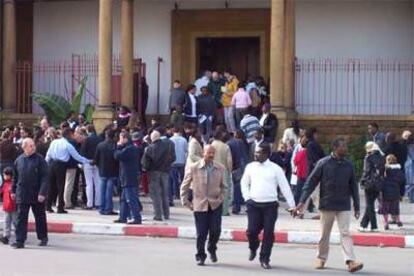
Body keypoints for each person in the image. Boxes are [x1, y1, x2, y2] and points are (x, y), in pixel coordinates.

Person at [294, 138, 363, 273]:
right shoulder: (323, 163)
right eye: (343, 146)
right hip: (327, 204)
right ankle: (321, 258)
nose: (346, 149)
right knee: (325, 234)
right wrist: (302, 201)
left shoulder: (348, 165)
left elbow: (353, 186)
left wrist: (357, 205)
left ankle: (350, 261)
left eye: (346, 146)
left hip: (344, 204)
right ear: (335, 148)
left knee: (345, 233)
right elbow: (311, 182)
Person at [241, 142, 295, 270]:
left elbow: (285, 187)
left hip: (270, 206)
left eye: (259, 152)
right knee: (251, 232)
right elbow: (244, 183)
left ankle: (264, 258)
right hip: (253, 204)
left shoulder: (275, 169)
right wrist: (247, 198)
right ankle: (253, 247)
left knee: (268, 233)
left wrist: (292, 206)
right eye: (255, 152)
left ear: (266, 154)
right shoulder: (250, 167)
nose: (256, 154)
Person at [180, 145, 227, 266]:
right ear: (203, 153)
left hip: (215, 204)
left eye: (213, 153)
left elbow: (224, 187)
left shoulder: (220, 168)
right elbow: (185, 185)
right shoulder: (194, 168)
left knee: (215, 230)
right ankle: (200, 256)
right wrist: (186, 202)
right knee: (201, 233)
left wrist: (220, 199)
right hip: (200, 204)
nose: (211, 155)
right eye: (208, 153)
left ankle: (212, 248)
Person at [11, 138, 49, 249]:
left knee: (40, 216)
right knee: (21, 218)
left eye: (33, 145)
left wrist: (42, 192)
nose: (33, 147)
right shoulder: (19, 160)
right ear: (24, 147)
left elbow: (45, 177)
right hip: (22, 193)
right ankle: (20, 240)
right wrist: (13, 191)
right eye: (30, 146)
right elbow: (15, 178)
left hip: (37, 193)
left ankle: (43, 237)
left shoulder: (40, 159)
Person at [45, 128, 91, 213]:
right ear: (69, 135)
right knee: (61, 186)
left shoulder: (54, 142)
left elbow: (48, 155)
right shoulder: (67, 145)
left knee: (51, 185)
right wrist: (88, 161)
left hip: (52, 164)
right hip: (61, 165)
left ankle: (48, 206)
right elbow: (77, 157)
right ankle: (60, 207)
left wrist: (45, 165)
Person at [142, 130, 176, 221]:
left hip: (153, 173)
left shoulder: (149, 148)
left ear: (152, 139)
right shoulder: (168, 146)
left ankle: (158, 215)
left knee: (156, 194)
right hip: (165, 172)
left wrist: (146, 169)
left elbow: (145, 163)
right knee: (165, 193)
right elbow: (173, 158)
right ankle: (166, 214)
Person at [113, 131, 142, 224]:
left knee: (131, 198)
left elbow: (117, 156)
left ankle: (136, 217)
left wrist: (118, 146)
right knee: (124, 199)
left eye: (121, 138)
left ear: (125, 139)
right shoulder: (130, 148)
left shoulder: (129, 149)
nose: (119, 140)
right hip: (127, 177)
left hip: (128, 177)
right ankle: (123, 216)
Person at [358, 142, 385, 232]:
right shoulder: (382, 157)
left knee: (369, 205)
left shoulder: (368, 157)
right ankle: (364, 225)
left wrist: (362, 181)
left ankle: (374, 226)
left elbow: (366, 171)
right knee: (370, 205)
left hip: (369, 184)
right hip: (379, 184)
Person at [94, 128, 118, 215]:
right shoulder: (114, 145)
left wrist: (99, 166)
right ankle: (108, 209)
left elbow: (96, 159)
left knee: (102, 190)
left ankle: (102, 208)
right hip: (112, 171)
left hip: (102, 170)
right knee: (109, 191)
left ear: (106, 135)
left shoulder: (100, 145)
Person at [211, 127, 233, 216]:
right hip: (224, 171)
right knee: (225, 192)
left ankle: (214, 209)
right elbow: (229, 161)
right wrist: (230, 170)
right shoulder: (225, 146)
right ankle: (224, 211)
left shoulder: (211, 145)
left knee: (214, 192)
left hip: (212, 170)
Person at [380, 154, 405, 230]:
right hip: (396, 192)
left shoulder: (385, 170)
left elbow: (381, 179)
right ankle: (398, 220)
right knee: (395, 207)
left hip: (386, 191)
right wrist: (401, 193)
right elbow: (403, 182)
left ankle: (386, 223)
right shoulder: (399, 171)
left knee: (385, 208)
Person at [81, 125, 102, 210]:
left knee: (89, 184)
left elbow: (82, 152)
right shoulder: (99, 139)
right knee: (97, 183)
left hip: (88, 162)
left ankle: (89, 203)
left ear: (87, 131)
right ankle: (98, 203)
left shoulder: (86, 140)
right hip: (97, 162)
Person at [169, 127, 188, 206]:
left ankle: (175, 193)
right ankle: (182, 193)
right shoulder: (184, 140)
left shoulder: (170, 140)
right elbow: (186, 150)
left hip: (173, 161)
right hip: (182, 161)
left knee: (174, 179)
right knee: (183, 178)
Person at [0, 167, 17, 245]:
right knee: (6, 222)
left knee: (15, 222)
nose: (5, 176)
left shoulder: (13, 184)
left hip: (13, 207)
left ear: (10, 175)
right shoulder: (5, 184)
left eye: (7, 175)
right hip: (6, 207)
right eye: (4, 175)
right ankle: (6, 236)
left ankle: (19, 236)